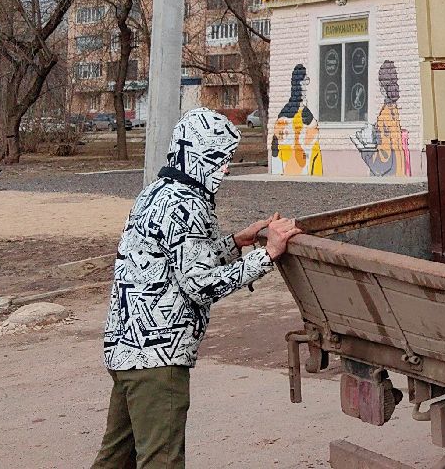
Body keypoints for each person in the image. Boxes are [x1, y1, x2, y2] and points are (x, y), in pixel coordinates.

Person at [97, 108, 301, 469]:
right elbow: (199, 285)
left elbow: (183, 258)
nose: (224, 169)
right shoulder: (187, 204)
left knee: (116, 459)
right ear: (198, 155)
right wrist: (267, 255)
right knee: (162, 461)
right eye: (220, 159)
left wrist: (238, 241)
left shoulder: (158, 192)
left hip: (128, 352)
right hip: (159, 359)